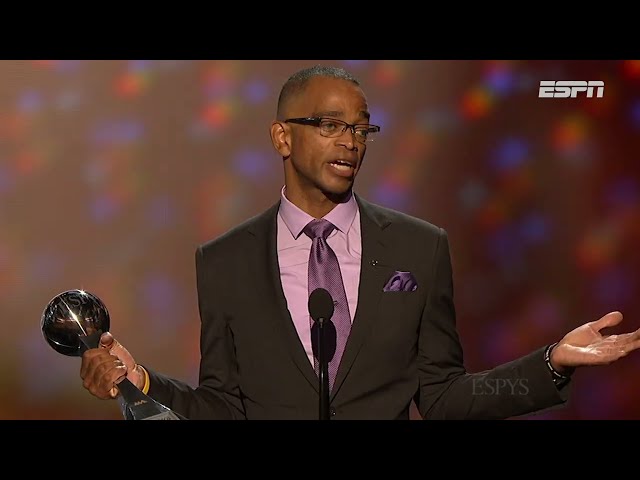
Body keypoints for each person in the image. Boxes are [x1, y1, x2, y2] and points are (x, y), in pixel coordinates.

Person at [80, 64, 640, 420]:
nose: (350, 142)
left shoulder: (419, 248)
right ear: (282, 137)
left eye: (361, 128)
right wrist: (141, 381)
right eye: (330, 126)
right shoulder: (225, 261)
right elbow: (223, 408)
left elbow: (443, 397)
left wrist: (551, 363)